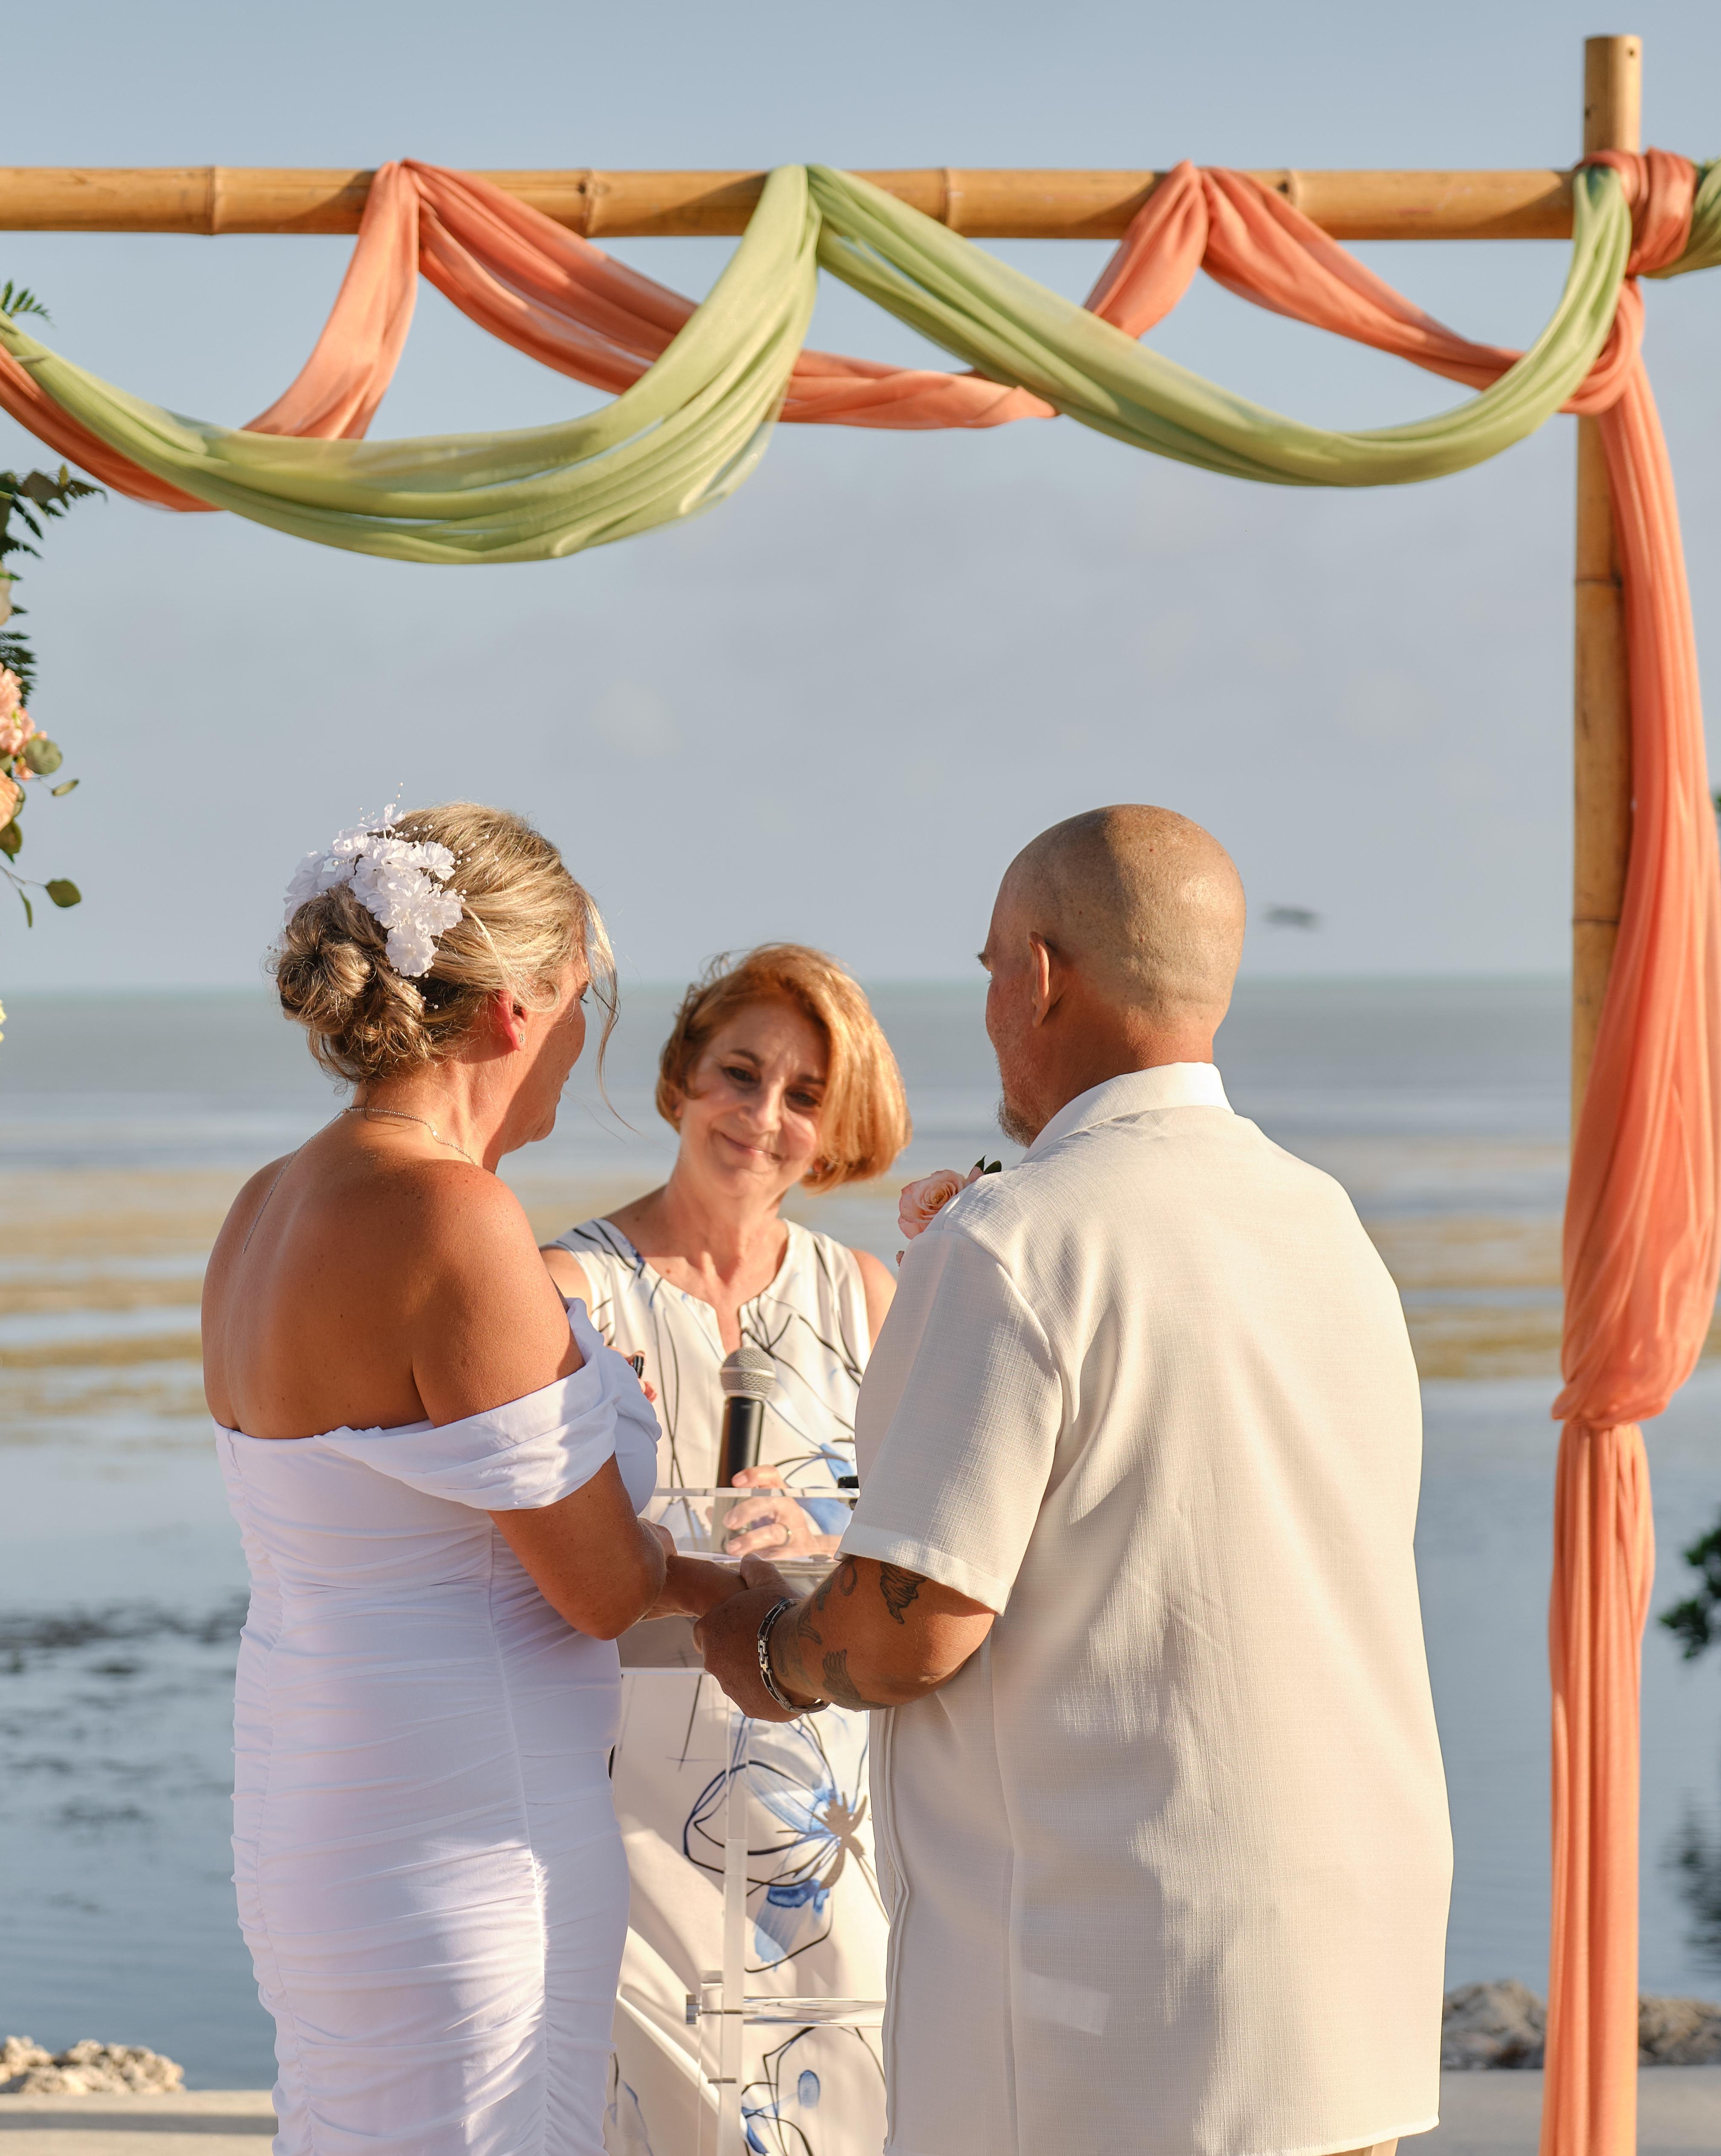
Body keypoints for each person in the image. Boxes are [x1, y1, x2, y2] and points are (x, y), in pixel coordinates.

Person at [696, 806, 1451, 2156]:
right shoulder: (1326, 1223)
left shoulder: (1018, 1237)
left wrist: (766, 1639)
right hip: (1348, 1969)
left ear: (1040, 974)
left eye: (991, 964)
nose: (988, 1000)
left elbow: (910, 1629)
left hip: (1117, 2000)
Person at [203, 803, 744, 2156]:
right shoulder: (455, 1216)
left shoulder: (263, 1207)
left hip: (309, 1801)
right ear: (515, 1009)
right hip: (464, 1820)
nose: (580, 1036)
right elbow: (598, 1588)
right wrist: (716, 1580)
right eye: (581, 1000)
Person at [537, 946, 907, 2156]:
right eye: (740, 1074)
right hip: (630, 1803)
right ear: (680, 1079)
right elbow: (525, 1560)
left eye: (805, 1095)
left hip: (823, 1803)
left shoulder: (866, 1298)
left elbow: (923, 1554)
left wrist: (825, 1545)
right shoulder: (566, 1291)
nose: (763, 1116)